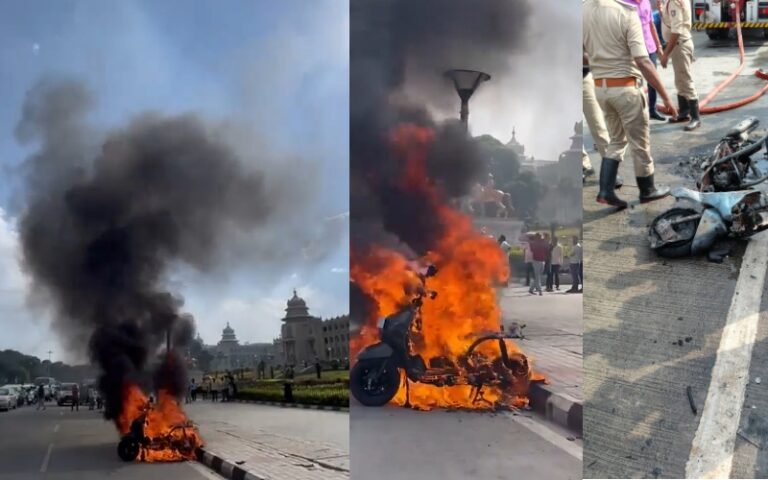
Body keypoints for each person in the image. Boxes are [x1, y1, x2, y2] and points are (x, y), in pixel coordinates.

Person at [584, 0, 677, 209]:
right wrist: (666, 97)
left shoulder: (583, 10)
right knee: (640, 143)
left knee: (616, 140)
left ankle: (606, 191)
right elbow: (643, 61)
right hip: (625, 89)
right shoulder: (626, 13)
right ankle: (648, 190)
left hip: (600, 89)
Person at [659, 0, 700, 131]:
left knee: (685, 80)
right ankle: (684, 112)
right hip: (679, 45)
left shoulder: (674, 2)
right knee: (680, 79)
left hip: (680, 45)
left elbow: (676, 31)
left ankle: (695, 118)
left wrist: (665, 54)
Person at [630, 0, 666, 121]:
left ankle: (652, 110)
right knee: (636, 81)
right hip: (634, 49)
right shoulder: (624, 3)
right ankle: (638, 112)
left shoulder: (646, 2)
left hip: (650, 47)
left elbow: (651, 25)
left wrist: (659, 47)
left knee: (653, 79)